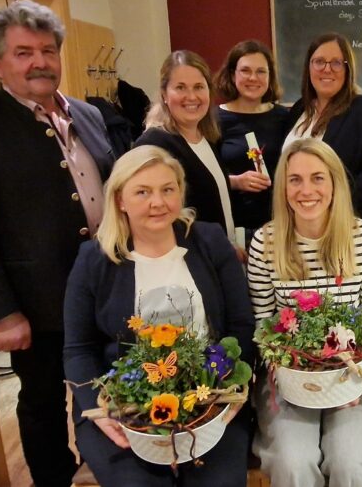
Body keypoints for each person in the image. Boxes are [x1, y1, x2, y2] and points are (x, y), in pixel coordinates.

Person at [0, 0, 115, 487]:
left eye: (48, 51)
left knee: (107, 389)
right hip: (37, 302)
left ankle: (104, 470)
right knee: (43, 403)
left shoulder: (88, 115)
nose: (39, 62)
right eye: (23, 52)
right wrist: (0, 313)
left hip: (105, 287)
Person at [63, 146, 255, 487]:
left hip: (210, 398)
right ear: (120, 200)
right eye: (142, 192)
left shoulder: (210, 241)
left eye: (168, 189)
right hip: (123, 406)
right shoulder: (94, 259)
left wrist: (232, 393)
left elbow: (241, 326)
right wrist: (99, 412)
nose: (158, 202)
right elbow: (78, 349)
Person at [247, 138, 362, 487]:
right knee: (292, 462)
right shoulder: (266, 242)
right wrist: (286, 372)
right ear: (283, 188)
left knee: (351, 462)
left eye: (317, 178)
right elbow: (263, 322)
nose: (306, 190)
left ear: (335, 183)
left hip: (355, 374)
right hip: (288, 377)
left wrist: (359, 372)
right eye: (295, 180)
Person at [284, 33, 362, 244]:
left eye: (336, 62)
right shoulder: (299, 109)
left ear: (348, 69)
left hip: (349, 232)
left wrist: (328, 197)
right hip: (298, 230)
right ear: (309, 67)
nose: (327, 69)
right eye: (319, 62)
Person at [135, 50, 235, 243]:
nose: (191, 96)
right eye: (180, 87)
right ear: (164, 94)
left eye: (199, 87)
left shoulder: (208, 138)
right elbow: (152, 216)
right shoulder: (153, 145)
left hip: (219, 252)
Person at [214, 40, 290, 237]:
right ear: (233, 75)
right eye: (245, 71)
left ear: (270, 76)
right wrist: (235, 181)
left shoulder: (284, 117)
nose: (253, 78)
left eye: (261, 71)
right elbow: (202, 175)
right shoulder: (213, 120)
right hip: (233, 228)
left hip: (280, 225)